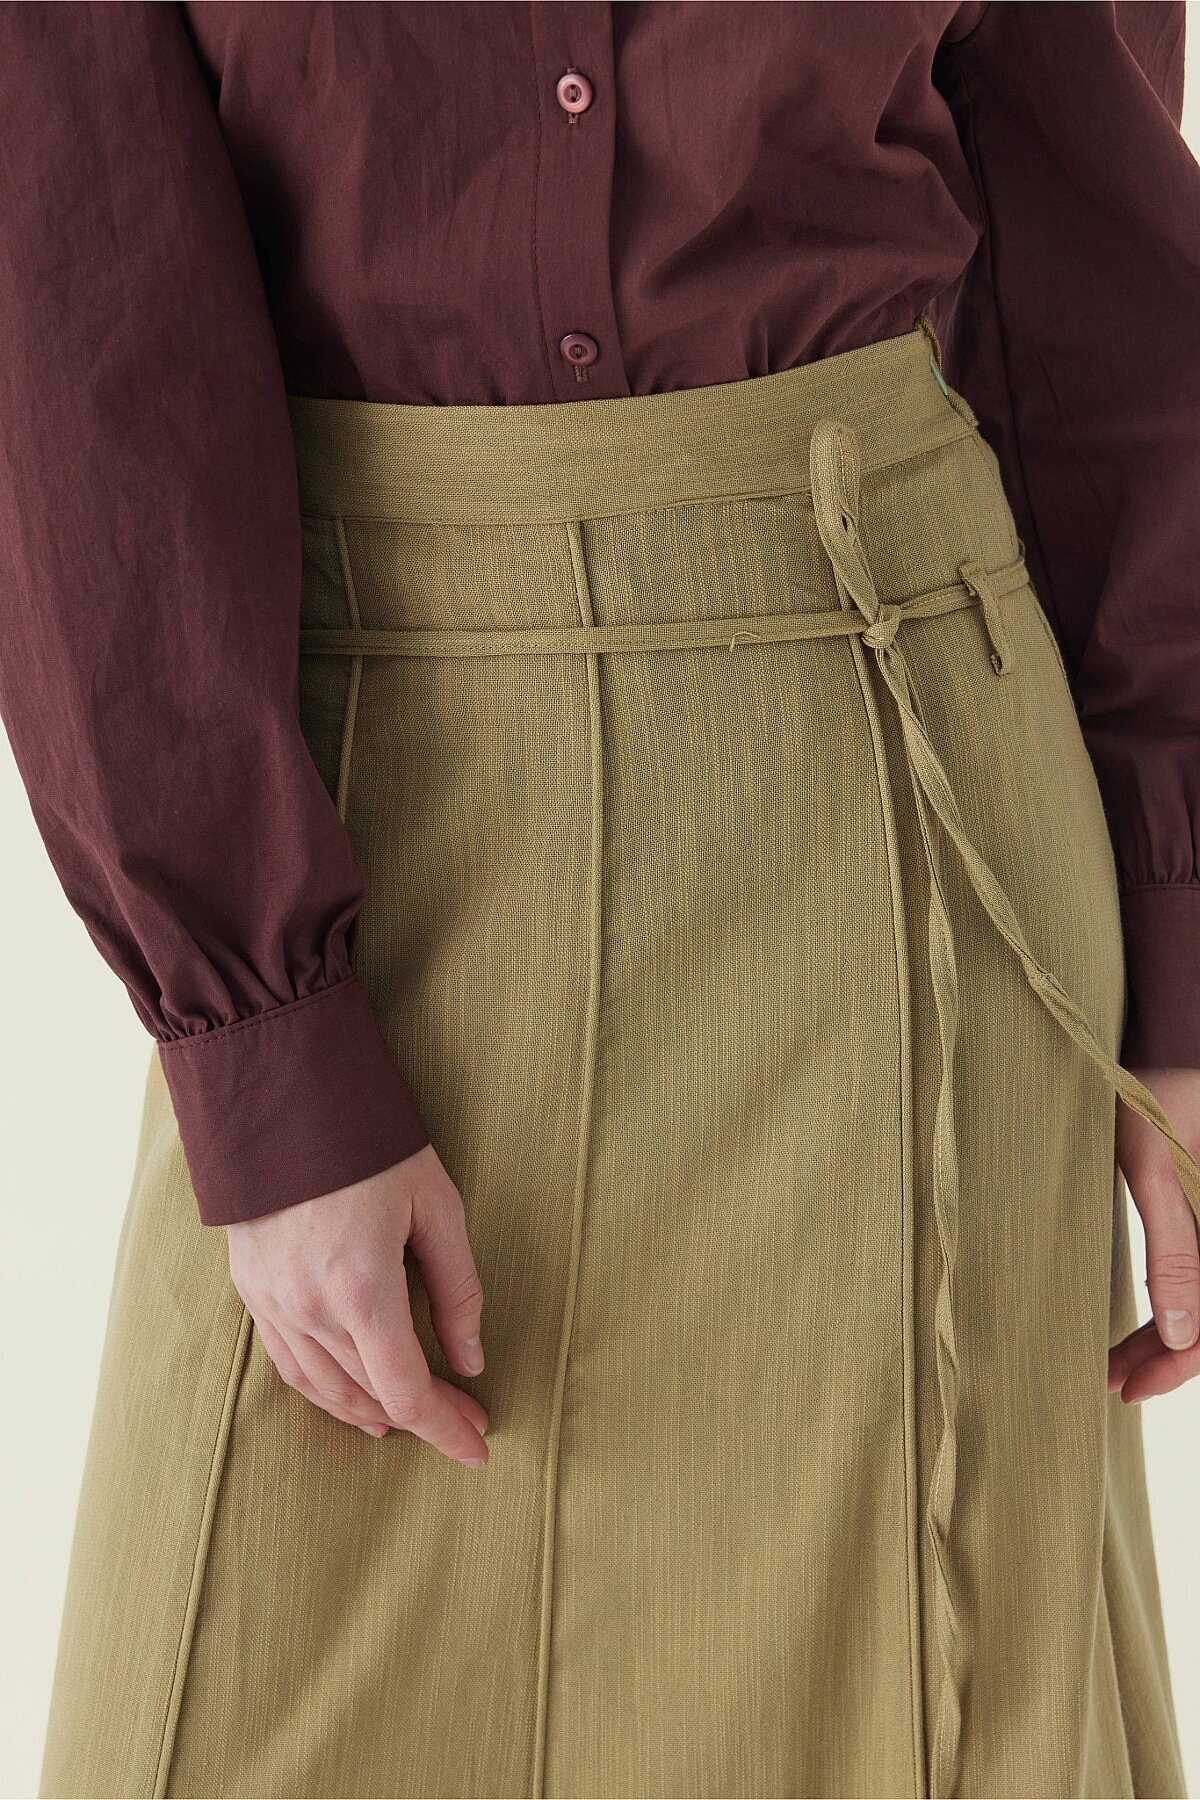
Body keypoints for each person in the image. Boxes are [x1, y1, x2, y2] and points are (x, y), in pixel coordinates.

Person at [1, 3, 1198, 1797]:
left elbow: (1094, 279)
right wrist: (264, 1053)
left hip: (895, 819)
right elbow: (78, 324)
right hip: (377, 828)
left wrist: (1182, 963)